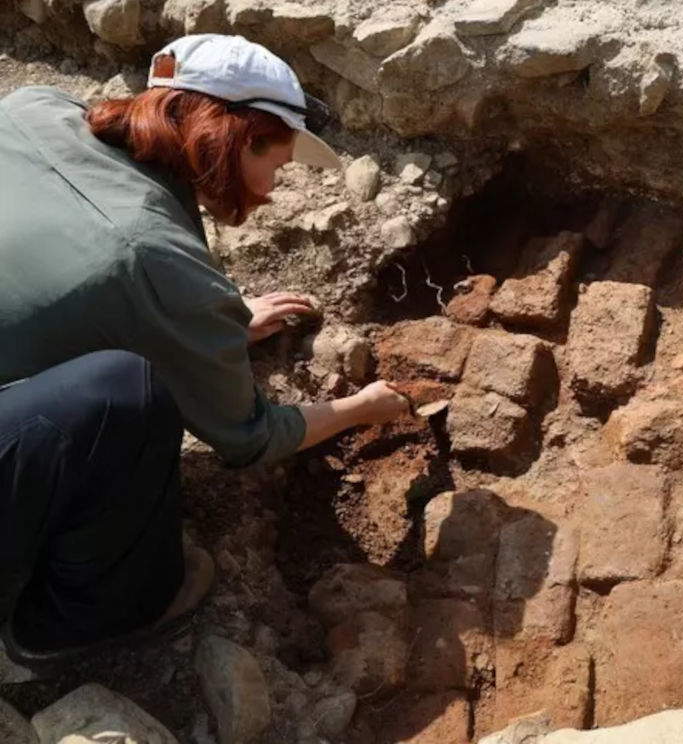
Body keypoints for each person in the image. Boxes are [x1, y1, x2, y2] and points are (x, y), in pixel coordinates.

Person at [0, 34, 413, 666]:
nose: (274, 188)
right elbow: (249, 437)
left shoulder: (35, 108)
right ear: (241, 139)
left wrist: (195, 320)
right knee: (126, 399)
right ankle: (80, 619)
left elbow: (56, 281)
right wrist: (361, 408)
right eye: (277, 164)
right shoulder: (146, 254)